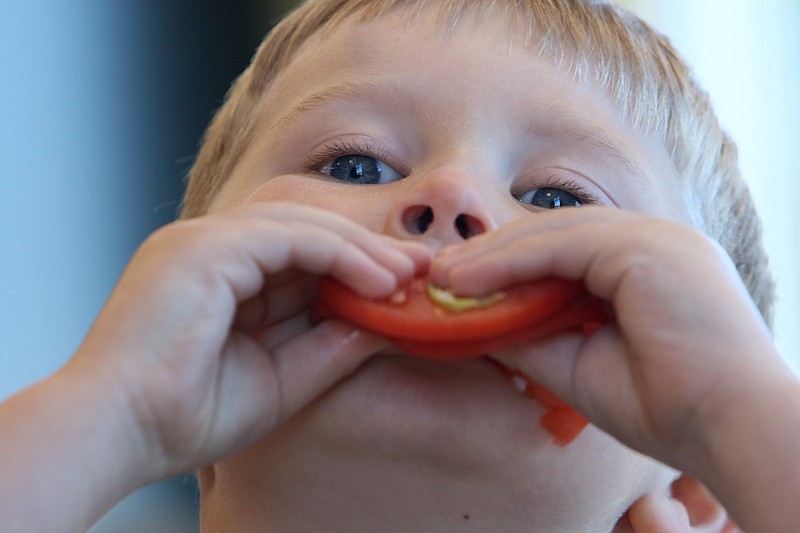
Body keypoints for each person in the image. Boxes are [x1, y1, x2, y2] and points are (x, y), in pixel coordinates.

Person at [1, 0, 796, 531]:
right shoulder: (94, 449)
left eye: (557, 199)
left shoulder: (731, 447)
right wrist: (111, 414)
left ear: (690, 497)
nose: (451, 196)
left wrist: (731, 416)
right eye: (355, 166)